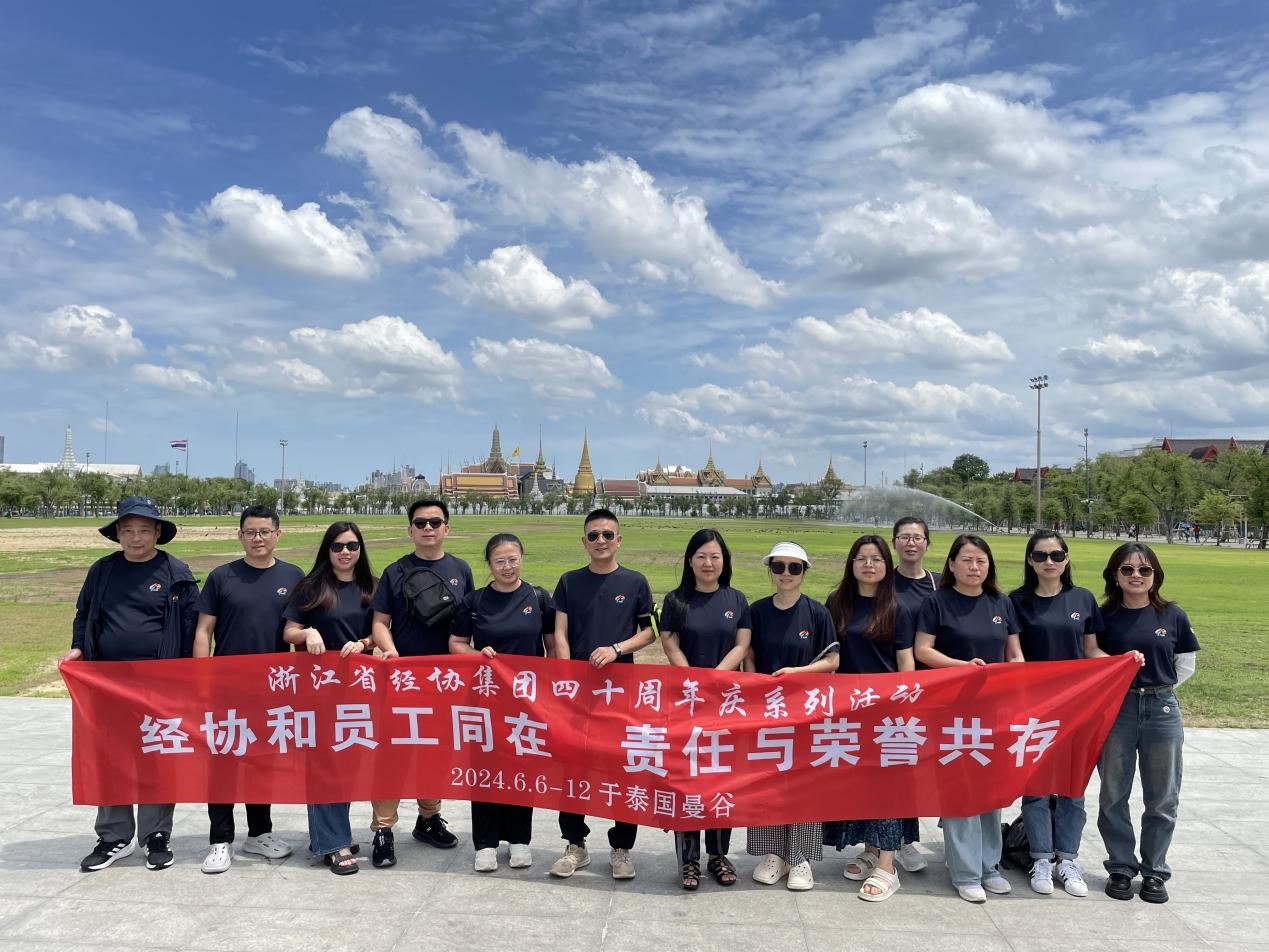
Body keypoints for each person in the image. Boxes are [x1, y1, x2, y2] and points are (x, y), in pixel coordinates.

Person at [62, 496, 199, 872]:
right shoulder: (103, 570)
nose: (136, 538)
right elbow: (84, 615)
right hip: (108, 683)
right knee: (112, 757)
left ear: (157, 532)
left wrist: (190, 676)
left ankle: (156, 835)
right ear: (118, 534)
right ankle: (114, 836)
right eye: (128, 530)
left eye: (143, 530)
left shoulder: (175, 571)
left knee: (157, 755)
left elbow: (192, 626)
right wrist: (78, 649)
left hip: (160, 683)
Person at [192, 505, 302, 874]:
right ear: (240, 535)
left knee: (261, 762)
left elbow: (299, 629)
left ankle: (259, 833)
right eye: (250, 532)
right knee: (223, 764)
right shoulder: (222, 577)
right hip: (226, 689)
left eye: (265, 531)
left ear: (277, 535)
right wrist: (201, 680)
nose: (258, 538)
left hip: (272, 689)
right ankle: (220, 839)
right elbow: (204, 631)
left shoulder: (293, 576)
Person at [914, 533, 1023, 903]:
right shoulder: (937, 602)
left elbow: (1015, 655)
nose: (974, 567)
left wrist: (1011, 677)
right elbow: (923, 650)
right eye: (967, 560)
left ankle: (989, 865)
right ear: (952, 564)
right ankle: (964, 871)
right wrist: (963, 668)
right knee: (960, 790)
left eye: (981, 561)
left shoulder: (1001, 602)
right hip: (952, 712)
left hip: (994, 712)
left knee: (991, 790)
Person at [549, 508, 655, 881]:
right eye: (593, 535)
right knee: (573, 767)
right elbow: (560, 633)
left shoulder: (635, 581)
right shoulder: (569, 581)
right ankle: (575, 844)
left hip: (620, 693)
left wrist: (616, 649)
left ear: (618, 540)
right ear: (584, 541)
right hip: (578, 692)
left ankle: (621, 847)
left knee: (623, 768)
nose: (600, 541)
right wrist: (567, 677)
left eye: (607, 535)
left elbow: (650, 632)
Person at [367, 498, 474, 867]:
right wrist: (391, 652)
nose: (428, 528)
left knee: (436, 752)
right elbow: (379, 622)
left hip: (446, 680)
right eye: (421, 523)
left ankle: (429, 817)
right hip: (402, 678)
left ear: (447, 528)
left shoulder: (461, 569)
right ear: (410, 529)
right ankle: (383, 829)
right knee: (393, 754)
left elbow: (467, 625)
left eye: (435, 522)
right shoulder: (395, 571)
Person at [1096, 542, 1199, 904]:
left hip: (1161, 709)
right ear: (1115, 575)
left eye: (1144, 569)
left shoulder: (1173, 615)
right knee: (1113, 793)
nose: (1136, 576)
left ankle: (1155, 871)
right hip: (1118, 710)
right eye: (1127, 569)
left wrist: (1158, 688)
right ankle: (1121, 867)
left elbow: (1185, 665)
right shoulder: (1103, 617)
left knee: (1162, 796)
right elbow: (1092, 658)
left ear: (1156, 575)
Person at [1008, 529, 1106, 897]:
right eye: (1040, 555)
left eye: (1056, 555)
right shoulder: (1015, 601)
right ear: (1029, 560)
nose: (1049, 562)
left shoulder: (1082, 598)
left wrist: (1122, 661)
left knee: (1072, 787)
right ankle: (1040, 858)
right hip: (1034, 708)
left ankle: (1067, 859)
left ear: (1067, 559)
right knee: (1035, 788)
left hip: (1077, 707)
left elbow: (1091, 651)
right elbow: (1014, 656)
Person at [449, 533, 555, 873]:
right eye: (500, 561)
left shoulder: (539, 597)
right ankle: (485, 843)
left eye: (513, 560)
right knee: (485, 769)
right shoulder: (475, 601)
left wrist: (553, 689)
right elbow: (456, 643)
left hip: (527, 701)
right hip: (486, 699)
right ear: (489, 564)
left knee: (522, 766)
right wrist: (477, 654)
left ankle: (520, 840)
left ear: (522, 559)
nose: (507, 567)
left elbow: (552, 647)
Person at [659, 528, 751, 891]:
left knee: (721, 780)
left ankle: (718, 854)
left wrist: (715, 679)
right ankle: (688, 860)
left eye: (715, 556)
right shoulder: (676, 600)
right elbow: (670, 643)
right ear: (690, 560)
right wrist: (694, 681)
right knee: (687, 780)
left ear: (724, 560)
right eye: (701, 556)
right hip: (687, 701)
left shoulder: (737, 599)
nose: (708, 563)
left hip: (726, 702)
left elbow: (742, 644)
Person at [282, 522, 376, 875]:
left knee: (348, 761)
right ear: (327, 550)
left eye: (352, 545)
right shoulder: (311, 586)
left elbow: (382, 630)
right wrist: (308, 632)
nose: (345, 552)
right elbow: (289, 630)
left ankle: (328, 834)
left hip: (360, 689)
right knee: (325, 763)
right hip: (318, 689)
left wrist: (364, 643)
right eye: (337, 546)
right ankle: (334, 842)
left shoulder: (372, 586)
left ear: (360, 549)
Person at [824, 535, 914, 902]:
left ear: (886, 565)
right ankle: (870, 850)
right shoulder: (837, 602)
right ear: (852, 563)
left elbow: (906, 662)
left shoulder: (897, 607)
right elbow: (829, 656)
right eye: (862, 558)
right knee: (860, 784)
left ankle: (887, 867)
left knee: (887, 787)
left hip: (887, 711)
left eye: (876, 559)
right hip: (847, 711)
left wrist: (905, 707)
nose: (869, 564)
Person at [746, 541, 839, 892]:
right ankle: (773, 853)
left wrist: (796, 673)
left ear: (804, 572)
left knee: (803, 781)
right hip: (767, 711)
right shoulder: (756, 611)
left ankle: (799, 857)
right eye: (779, 566)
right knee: (768, 779)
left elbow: (832, 661)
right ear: (770, 570)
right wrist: (756, 684)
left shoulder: (817, 613)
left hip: (806, 711)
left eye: (794, 567)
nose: (786, 574)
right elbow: (748, 654)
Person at [888, 515, 938, 871]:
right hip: (890, 689)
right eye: (904, 536)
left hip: (933, 689)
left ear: (927, 544)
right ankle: (885, 843)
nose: (910, 543)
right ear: (894, 542)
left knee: (917, 768)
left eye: (917, 537)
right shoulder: (883, 582)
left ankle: (905, 839)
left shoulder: (938, 583)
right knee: (891, 766)